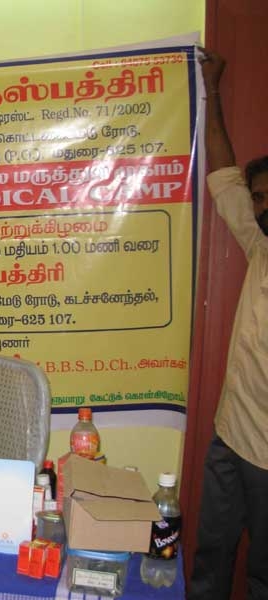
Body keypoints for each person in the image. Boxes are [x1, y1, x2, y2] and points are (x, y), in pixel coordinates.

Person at [188, 49, 268, 600]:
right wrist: (211, 88)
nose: (261, 207)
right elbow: (222, 176)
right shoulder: (260, 246)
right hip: (231, 435)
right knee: (210, 555)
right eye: (259, 198)